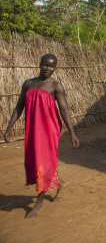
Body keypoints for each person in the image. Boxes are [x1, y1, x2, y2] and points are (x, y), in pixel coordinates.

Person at [3, 53, 79, 218]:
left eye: (52, 66)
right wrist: (9, 127)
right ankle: (60, 183)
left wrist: (72, 133)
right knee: (37, 162)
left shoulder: (56, 86)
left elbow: (64, 110)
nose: (48, 69)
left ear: (55, 68)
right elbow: (19, 107)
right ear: (40, 64)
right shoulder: (28, 84)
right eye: (45, 65)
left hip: (49, 130)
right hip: (33, 130)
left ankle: (39, 202)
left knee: (44, 162)